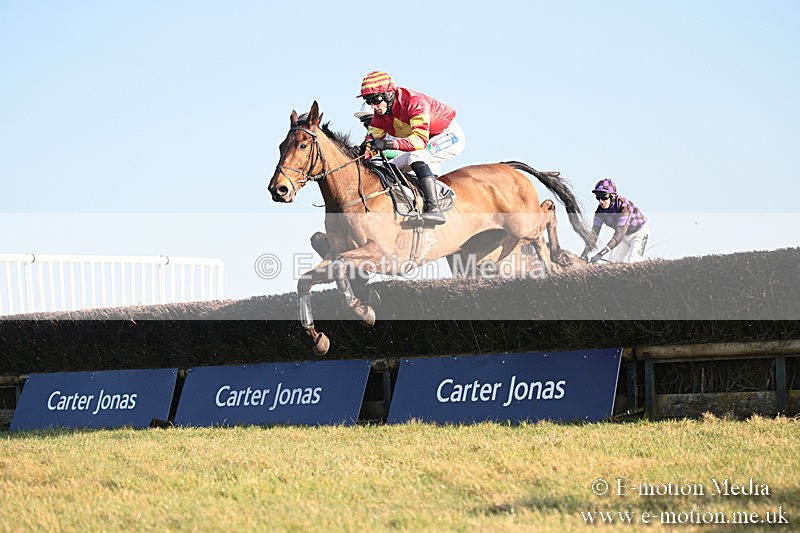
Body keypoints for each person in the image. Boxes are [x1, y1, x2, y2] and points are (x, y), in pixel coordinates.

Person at [357, 70, 465, 225]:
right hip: (425, 142)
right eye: (369, 102)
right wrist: (360, 152)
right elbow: (370, 145)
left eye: (376, 99)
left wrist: (387, 144)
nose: (373, 107)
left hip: (449, 136)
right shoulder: (379, 118)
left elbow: (419, 142)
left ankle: (434, 208)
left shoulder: (414, 101)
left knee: (417, 156)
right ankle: (413, 206)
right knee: (390, 167)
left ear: (388, 94)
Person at [581, 179, 650, 263]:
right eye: (598, 197)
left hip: (639, 234)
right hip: (623, 237)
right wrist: (585, 252)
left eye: (604, 197)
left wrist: (600, 254)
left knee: (633, 261)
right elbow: (594, 234)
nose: (601, 201)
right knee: (612, 263)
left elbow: (619, 234)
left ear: (612, 196)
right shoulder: (599, 211)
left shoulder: (624, 207)